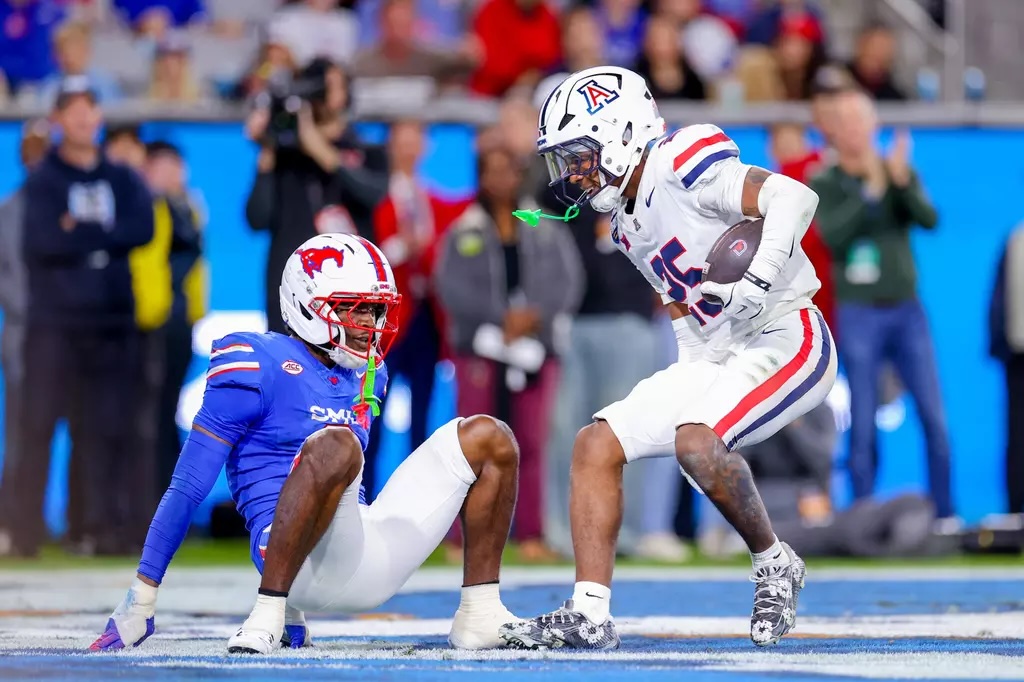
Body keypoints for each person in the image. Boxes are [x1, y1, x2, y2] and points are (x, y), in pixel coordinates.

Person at [500, 66, 835, 650]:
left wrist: (754, 280)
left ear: (622, 132)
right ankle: (590, 614)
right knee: (595, 444)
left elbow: (793, 196)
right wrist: (691, 374)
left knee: (696, 442)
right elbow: (684, 314)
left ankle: (774, 562)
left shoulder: (681, 157)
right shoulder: (625, 220)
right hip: (721, 348)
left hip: (787, 330)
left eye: (580, 154)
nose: (573, 172)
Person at [90, 233, 521, 655]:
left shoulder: (371, 371)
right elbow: (188, 486)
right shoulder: (255, 361)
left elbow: (339, 497)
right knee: (337, 445)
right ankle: (267, 611)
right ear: (306, 306)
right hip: (295, 567)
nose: (368, 325)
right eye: (354, 309)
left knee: (488, 437)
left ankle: (479, 612)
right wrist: (140, 598)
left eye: (374, 310)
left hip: (363, 552)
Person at [4, 76, 154, 557]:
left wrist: (80, 232)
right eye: (73, 110)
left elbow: (142, 228)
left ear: (100, 117)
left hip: (111, 326)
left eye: (90, 109)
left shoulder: (123, 178)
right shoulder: (43, 180)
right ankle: (23, 533)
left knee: (105, 430)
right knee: (37, 428)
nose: (84, 118)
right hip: (55, 326)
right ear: (58, 120)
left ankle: (95, 530)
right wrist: (105, 235)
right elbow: (42, 243)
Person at [810, 91, 951, 522]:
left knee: (933, 414)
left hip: (906, 310)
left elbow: (929, 219)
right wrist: (870, 193)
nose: (856, 132)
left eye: (862, 123)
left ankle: (945, 515)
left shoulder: (896, 173)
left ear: (874, 127)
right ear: (835, 131)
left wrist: (901, 182)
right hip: (859, 311)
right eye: (847, 124)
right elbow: (832, 236)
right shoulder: (826, 180)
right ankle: (863, 516)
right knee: (864, 417)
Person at [245, 58, 389, 334]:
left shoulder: (367, 150)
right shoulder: (286, 156)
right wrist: (268, 150)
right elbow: (257, 218)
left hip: (350, 286)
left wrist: (320, 149)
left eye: (332, 86)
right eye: (318, 85)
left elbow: (373, 194)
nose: (323, 93)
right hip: (293, 285)